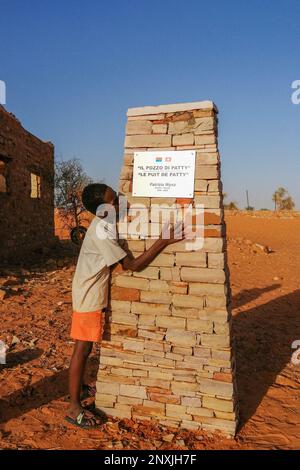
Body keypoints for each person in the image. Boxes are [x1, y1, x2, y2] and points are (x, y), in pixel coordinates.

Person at [65, 183, 183, 428]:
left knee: (86, 348)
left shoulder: (105, 225)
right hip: (89, 295)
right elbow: (132, 265)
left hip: (91, 291)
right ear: (102, 210)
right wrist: (163, 241)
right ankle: (73, 407)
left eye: (117, 197)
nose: (119, 203)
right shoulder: (101, 231)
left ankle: (80, 388)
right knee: (82, 349)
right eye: (113, 201)